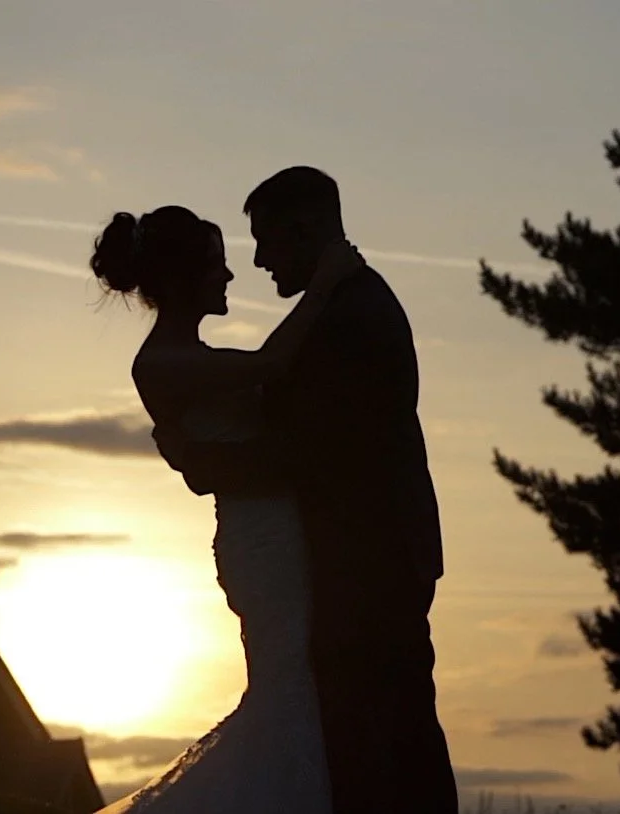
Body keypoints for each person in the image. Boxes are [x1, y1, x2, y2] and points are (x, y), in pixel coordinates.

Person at [155, 167, 458, 814]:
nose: (257, 260)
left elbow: (318, 454)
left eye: (265, 240)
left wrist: (203, 464)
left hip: (367, 564)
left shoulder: (348, 316)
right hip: (352, 561)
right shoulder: (338, 309)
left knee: (384, 738)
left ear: (303, 229)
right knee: (372, 736)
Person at [86, 204, 361, 814]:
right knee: (287, 687)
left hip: (277, 531)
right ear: (186, 279)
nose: (231, 277)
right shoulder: (159, 361)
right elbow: (269, 365)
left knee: (296, 682)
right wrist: (323, 288)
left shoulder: (193, 356)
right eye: (218, 266)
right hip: (262, 541)